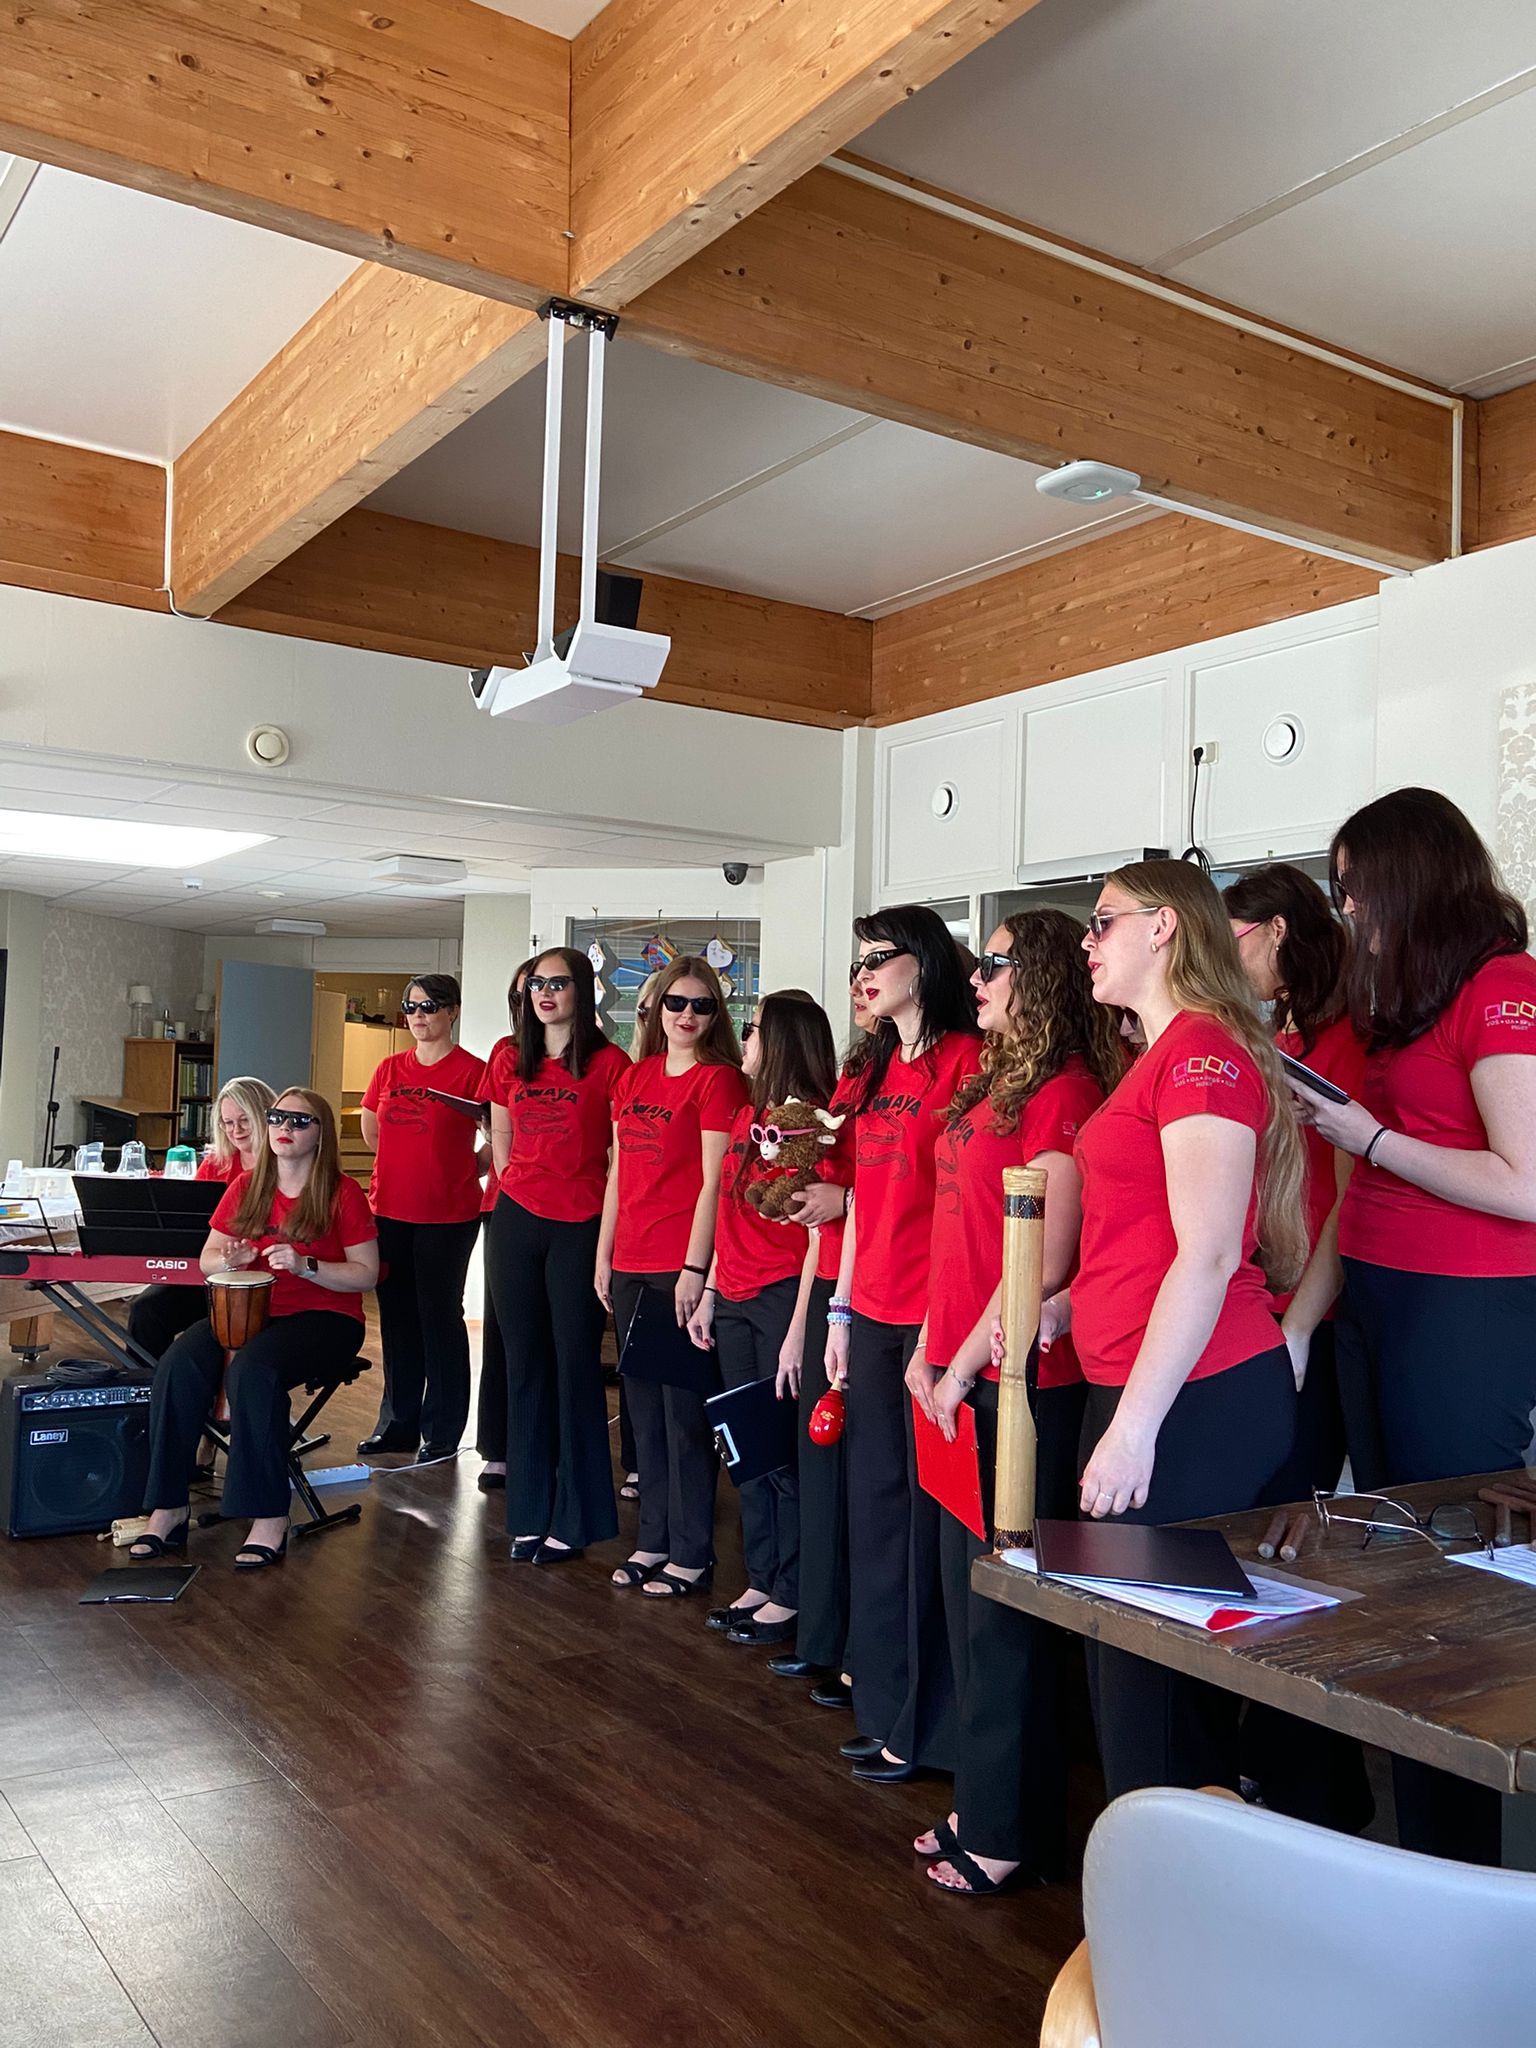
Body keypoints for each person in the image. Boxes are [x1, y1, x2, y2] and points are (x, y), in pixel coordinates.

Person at [1299, 789, 1536, 1865]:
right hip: (1379, 1294)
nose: (1347, 906)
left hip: (1463, 1304)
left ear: (1409, 876)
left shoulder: (1503, 984)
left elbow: (1525, 1180)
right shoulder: (1411, 996)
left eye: (1355, 884)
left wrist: (1369, 1137)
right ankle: (1420, 1837)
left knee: (1454, 1576)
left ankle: (1460, 1858)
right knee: (1398, 1564)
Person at [1054, 858, 1304, 1798]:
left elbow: (1207, 1256)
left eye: (1102, 921)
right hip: (1143, 1385)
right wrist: (1065, 1307)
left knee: (1147, 1683)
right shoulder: (1162, 1056)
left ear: (1163, 927)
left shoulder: (1201, 1054)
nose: (1089, 941)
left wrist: (1132, 1430)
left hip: (1189, 1395)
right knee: (1134, 1668)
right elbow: (1141, 1241)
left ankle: (1166, 1873)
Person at [911, 910, 1121, 1895]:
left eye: (995, 963)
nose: (977, 977)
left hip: (1020, 1379)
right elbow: (950, 1230)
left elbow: (1042, 1262)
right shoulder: (993, 1080)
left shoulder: (1066, 1092)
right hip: (956, 1364)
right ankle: (983, 1797)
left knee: (1003, 1612)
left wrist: (959, 1367)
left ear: (1038, 977)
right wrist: (928, 1348)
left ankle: (1005, 1825)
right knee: (967, 1601)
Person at [827, 905, 983, 1782]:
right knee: (878, 1516)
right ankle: (886, 1710)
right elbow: (857, 1198)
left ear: (921, 963)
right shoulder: (876, 1063)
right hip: (874, 1312)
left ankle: (932, 1730)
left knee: (931, 1531)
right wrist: (841, 1312)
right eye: (857, 962)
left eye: (877, 959)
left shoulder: (968, 1059)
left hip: (937, 1323)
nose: (862, 975)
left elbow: (963, 1204)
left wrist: (931, 1328)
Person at [131, 1089, 378, 1569]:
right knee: (178, 1364)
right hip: (249, 1312)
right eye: (278, 1118)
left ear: (321, 1134)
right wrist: (232, 1260)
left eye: (300, 1121)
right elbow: (207, 1260)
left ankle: (269, 1514)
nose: (285, 1127)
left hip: (328, 1319)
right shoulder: (247, 1186)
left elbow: (365, 1274)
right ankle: (168, 1506)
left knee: (253, 1370)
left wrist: (307, 1266)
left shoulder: (342, 1192)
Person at [687, 990, 838, 1644]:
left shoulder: (811, 1124)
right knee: (746, 1446)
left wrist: (800, 1329)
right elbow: (727, 1207)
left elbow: (819, 1237)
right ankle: (763, 1575)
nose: (742, 1039)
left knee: (783, 1453)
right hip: (734, 1296)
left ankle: (794, 1591)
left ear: (779, 1041)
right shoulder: (749, 1114)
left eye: (752, 1029)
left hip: (782, 1296)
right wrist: (711, 1290)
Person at [598, 955, 747, 1597]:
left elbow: (717, 1182)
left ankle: (691, 1552)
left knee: (684, 1417)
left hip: (676, 1266)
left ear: (716, 1015)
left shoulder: (719, 1082)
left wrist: (695, 1266)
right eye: (676, 1003)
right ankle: (652, 1540)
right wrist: (603, 1255)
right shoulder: (633, 1078)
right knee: (642, 1415)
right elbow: (617, 1173)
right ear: (656, 1009)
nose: (687, 1015)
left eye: (701, 1005)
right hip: (628, 1263)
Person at [1223, 864, 1363, 1497]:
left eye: (1234, 941)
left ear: (1276, 930)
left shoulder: (1348, 1040)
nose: (1228, 961)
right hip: (1261, 1295)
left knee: (1291, 1502)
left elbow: (1347, 1200)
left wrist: (1300, 1328)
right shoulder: (1274, 1037)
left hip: (1316, 1308)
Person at [487, 950, 630, 1564]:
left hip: (581, 1223)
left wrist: (607, 1243)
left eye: (559, 983)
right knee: (523, 1366)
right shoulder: (506, 1056)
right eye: (537, 984)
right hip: (516, 1219)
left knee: (574, 1367)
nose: (545, 993)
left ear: (582, 991)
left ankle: (575, 1519)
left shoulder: (611, 1063)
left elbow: (622, 1156)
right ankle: (529, 1511)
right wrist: (518, 1185)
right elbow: (500, 1135)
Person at [766, 983, 870, 1701]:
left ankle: (857, 1651)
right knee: (822, 1475)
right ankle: (823, 1637)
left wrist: (847, 1199)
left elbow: (899, 1196)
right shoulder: (849, 1088)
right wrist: (802, 1324)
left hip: (877, 1299)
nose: (860, 986)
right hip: (834, 1292)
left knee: (860, 1489)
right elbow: (818, 1235)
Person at [358, 974, 486, 1464]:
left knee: (439, 1317)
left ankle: (443, 1430)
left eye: (429, 1006)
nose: (418, 1015)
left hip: (448, 1214)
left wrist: (468, 1166)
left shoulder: (473, 1072)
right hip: (389, 1209)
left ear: (452, 1011)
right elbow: (373, 1130)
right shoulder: (390, 1068)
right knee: (396, 1319)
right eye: (411, 1007)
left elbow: (500, 1134)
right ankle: (397, 1425)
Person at [127, 1076, 276, 1363]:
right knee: (146, 1310)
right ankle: (143, 1387)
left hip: (262, 1279)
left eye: (244, 1120)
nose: (236, 1130)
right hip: (210, 1271)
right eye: (227, 1123)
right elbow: (191, 1219)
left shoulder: (285, 1163)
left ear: (265, 1116)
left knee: (207, 1342)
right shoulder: (217, 1163)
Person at [475, 959, 535, 1491]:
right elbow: (497, 1129)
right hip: (504, 1202)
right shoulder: (505, 1052)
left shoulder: (590, 1055)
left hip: (566, 1212)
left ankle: (543, 1447)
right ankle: (497, 1446)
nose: (531, 1002)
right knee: (500, 1328)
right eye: (520, 995)